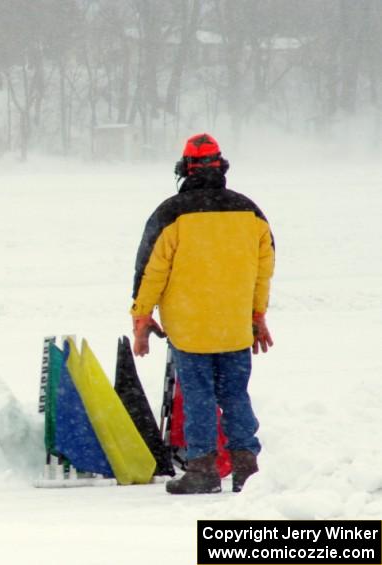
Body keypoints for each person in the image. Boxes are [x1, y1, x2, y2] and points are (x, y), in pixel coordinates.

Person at [129, 133, 275, 494]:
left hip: (190, 329)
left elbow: (151, 271)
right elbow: (263, 270)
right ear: (221, 166)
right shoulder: (250, 213)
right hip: (235, 327)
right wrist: (257, 316)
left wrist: (141, 316)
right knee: (236, 395)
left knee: (198, 398)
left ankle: (203, 469)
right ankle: (246, 469)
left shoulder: (171, 214)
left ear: (185, 169)